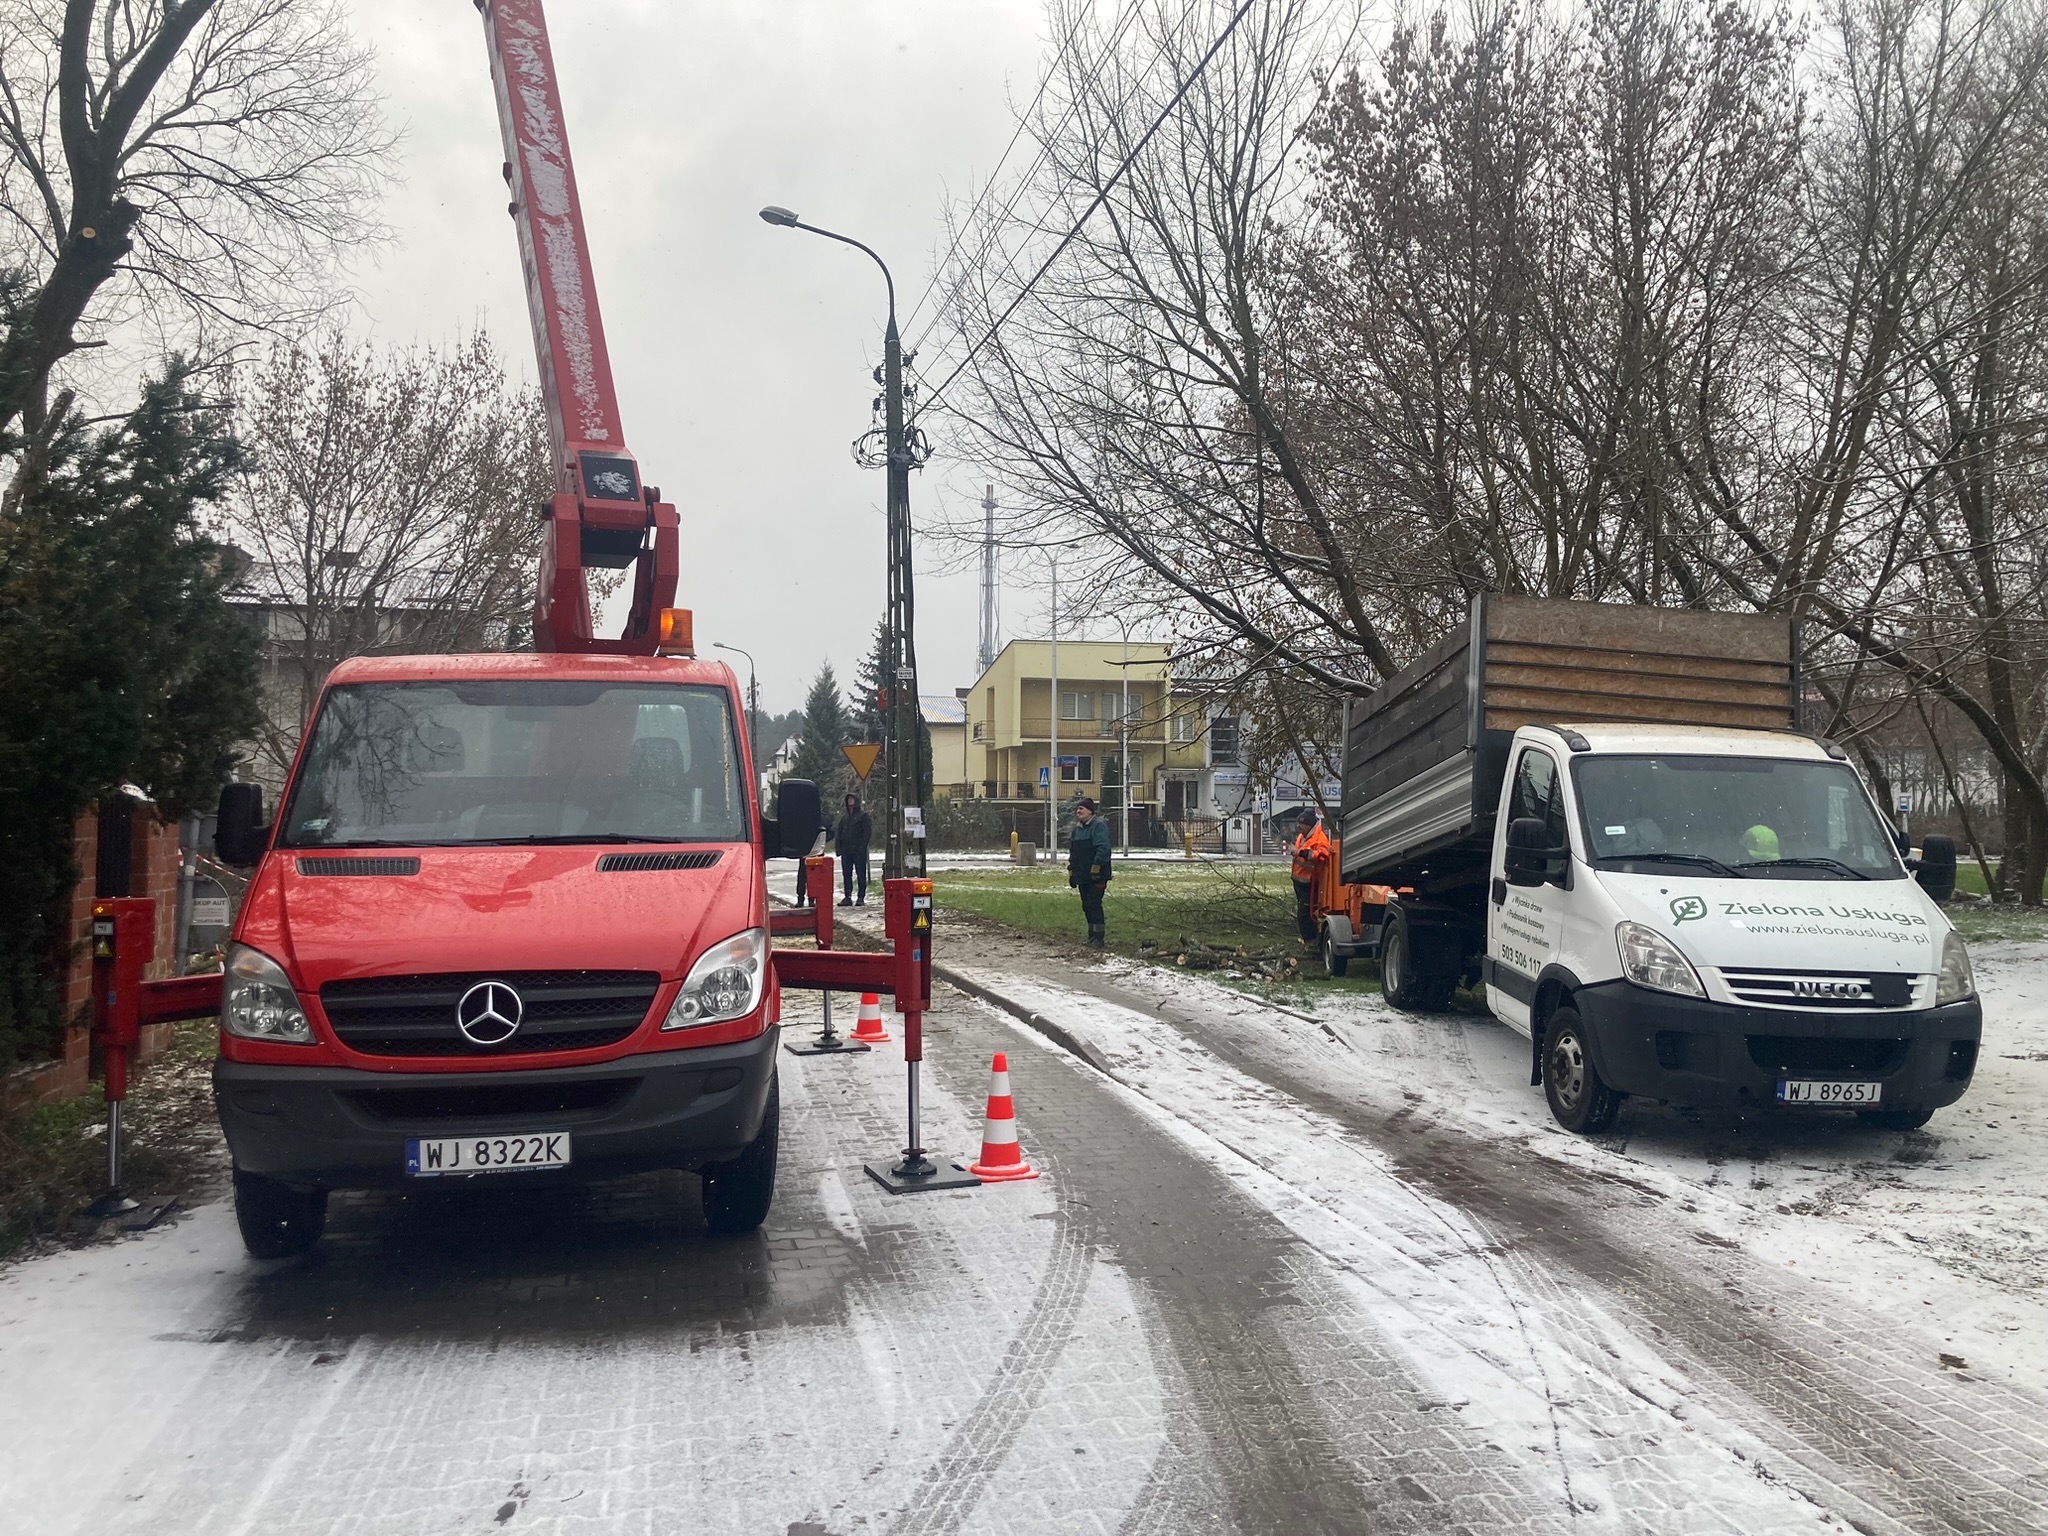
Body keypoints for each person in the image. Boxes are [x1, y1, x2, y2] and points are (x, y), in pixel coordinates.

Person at [1067, 796, 1113, 948]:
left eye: (1082, 808)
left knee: (1094, 904)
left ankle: (1098, 938)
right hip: (1082, 876)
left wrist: (1096, 868)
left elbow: (1103, 849)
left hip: (1097, 876)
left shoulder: (1098, 827)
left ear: (1091, 812)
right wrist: (1072, 872)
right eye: (1077, 808)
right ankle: (1091, 935)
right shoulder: (1077, 831)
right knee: (1086, 905)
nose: (1078, 811)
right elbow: (1073, 853)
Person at [1290, 806, 1332, 947]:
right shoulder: (1303, 836)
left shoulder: (1320, 839)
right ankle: (1310, 940)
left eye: (1301, 824)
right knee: (1304, 913)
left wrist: (1301, 853)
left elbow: (1322, 855)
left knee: (1305, 914)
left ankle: (1312, 941)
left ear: (1309, 825)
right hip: (1299, 881)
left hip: (1310, 884)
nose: (1299, 827)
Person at [834, 793, 872, 906]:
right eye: (848, 800)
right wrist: (838, 848)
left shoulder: (863, 816)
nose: (850, 802)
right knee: (847, 874)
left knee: (860, 874)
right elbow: (839, 834)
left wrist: (862, 847)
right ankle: (847, 896)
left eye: (852, 799)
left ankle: (861, 897)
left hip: (858, 852)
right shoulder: (845, 818)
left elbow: (867, 833)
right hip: (846, 851)